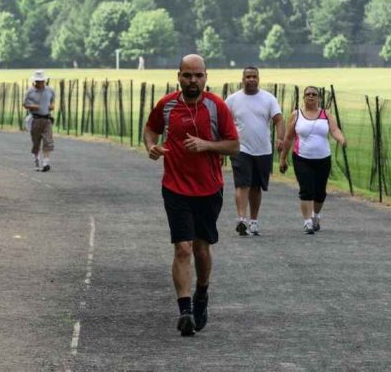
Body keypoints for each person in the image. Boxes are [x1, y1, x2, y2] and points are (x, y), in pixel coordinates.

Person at [143, 54, 239, 337]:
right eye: (187, 75)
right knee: (182, 247)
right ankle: (185, 311)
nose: (193, 81)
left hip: (209, 188)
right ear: (179, 76)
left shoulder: (216, 107)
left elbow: (234, 145)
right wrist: (151, 146)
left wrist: (206, 145)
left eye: (198, 75)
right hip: (174, 187)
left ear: (206, 77)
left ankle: (202, 293)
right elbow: (150, 130)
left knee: (201, 248)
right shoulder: (167, 104)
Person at [279, 86, 347, 235]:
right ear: (303, 98)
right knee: (306, 189)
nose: (311, 97)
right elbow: (289, 137)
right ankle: (307, 222)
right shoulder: (296, 115)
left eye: (314, 94)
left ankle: (316, 216)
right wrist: (283, 158)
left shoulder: (325, 114)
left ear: (319, 98)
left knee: (320, 192)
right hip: (302, 158)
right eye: (308, 94)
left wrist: (341, 139)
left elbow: (334, 130)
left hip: (323, 158)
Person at [225, 66, 283, 237]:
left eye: (254, 76)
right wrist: (224, 145)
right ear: (242, 79)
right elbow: (224, 123)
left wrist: (280, 138)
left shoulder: (268, 98)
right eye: (248, 77)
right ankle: (241, 219)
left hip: (263, 149)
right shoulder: (233, 100)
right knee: (242, 184)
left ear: (259, 78)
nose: (251, 79)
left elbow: (278, 120)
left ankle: (254, 221)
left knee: (256, 187)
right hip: (240, 148)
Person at [23, 70, 56, 172]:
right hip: (35, 119)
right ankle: (36, 160)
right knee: (36, 142)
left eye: (41, 81)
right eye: (38, 81)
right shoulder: (30, 92)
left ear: (44, 81)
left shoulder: (50, 90)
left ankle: (45, 163)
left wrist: (51, 106)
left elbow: (52, 103)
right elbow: (25, 104)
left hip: (47, 119)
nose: (40, 83)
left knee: (48, 140)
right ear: (35, 81)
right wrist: (33, 106)